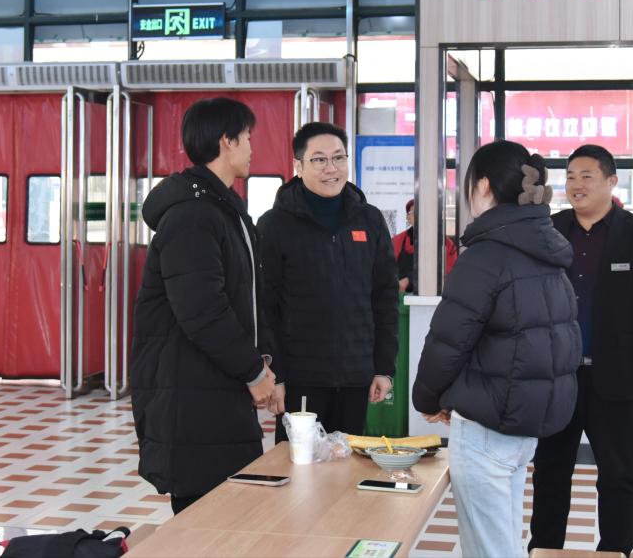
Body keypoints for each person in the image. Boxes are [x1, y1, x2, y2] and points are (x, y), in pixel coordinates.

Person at [412, 141, 581, 558]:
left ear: (484, 186)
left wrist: (428, 398)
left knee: (489, 548)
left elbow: (449, 341)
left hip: (487, 427)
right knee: (503, 541)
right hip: (522, 425)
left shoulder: (487, 255)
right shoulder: (546, 250)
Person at [130, 98, 276, 516]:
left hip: (217, 386)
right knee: (205, 524)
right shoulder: (193, 216)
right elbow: (202, 311)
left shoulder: (223, 209)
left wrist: (262, 363)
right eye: (247, 137)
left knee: (231, 517)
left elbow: (246, 298)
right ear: (227, 141)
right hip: (192, 394)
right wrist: (252, 371)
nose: (252, 147)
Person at [528, 144, 633, 555]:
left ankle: (615, 551)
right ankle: (544, 549)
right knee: (550, 472)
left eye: (586, 176)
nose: (576, 184)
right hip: (558, 378)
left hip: (615, 378)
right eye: (570, 176)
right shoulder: (548, 230)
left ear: (611, 181)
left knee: (618, 476)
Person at [258, 122, 398, 438]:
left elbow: (384, 297)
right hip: (300, 378)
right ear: (298, 166)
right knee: (299, 462)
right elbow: (266, 306)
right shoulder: (275, 225)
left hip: (356, 376)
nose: (331, 168)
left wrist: (384, 368)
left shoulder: (370, 220)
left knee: (348, 462)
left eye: (338, 158)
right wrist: (275, 375)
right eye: (319, 159)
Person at [391, 199, 458, 294]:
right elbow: (387, 271)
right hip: (401, 298)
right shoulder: (397, 241)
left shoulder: (447, 244)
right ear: (408, 217)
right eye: (414, 213)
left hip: (435, 298)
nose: (420, 217)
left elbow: (450, 276)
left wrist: (410, 281)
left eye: (424, 213)